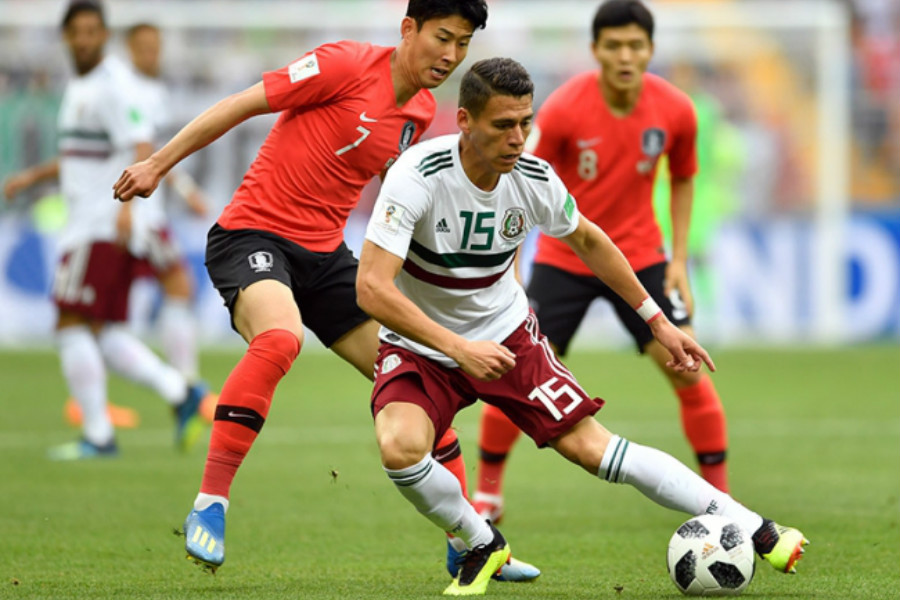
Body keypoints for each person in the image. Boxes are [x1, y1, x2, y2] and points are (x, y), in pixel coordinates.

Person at [112, 0, 536, 581]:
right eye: (443, 37)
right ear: (408, 28)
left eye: (462, 43)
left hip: (327, 257)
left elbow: (399, 196)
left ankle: (469, 543)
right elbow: (242, 103)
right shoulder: (344, 64)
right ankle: (210, 503)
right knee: (280, 338)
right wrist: (157, 164)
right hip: (252, 235)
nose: (451, 55)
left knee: (419, 385)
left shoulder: (419, 111)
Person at [356, 56, 807, 597]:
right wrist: (457, 347)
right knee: (400, 447)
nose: (518, 138)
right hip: (423, 344)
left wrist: (658, 322)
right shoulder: (417, 176)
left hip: (507, 336)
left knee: (593, 449)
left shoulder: (533, 178)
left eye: (525, 122)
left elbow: (590, 240)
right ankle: (481, 541)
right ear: (465, 121)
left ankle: (757, 527)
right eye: (503, 125)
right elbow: (372, 288)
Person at [471, 0, 731, 526]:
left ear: (651, 50)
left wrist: (678, 260)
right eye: (613, 46)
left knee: (688, 372)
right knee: (516, 374)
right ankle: (487, 495)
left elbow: (684, 176)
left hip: (641, 259)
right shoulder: (565, 108)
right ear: (595, 50)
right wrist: (513, 268)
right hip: (565, 259)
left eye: (635, 45)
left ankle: (723, 503)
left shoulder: (676, 110)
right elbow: (521, 182)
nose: (625, 56)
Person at [1, 0, 207, 460]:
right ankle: (181, 392)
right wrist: (32, 177)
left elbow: (140, 146)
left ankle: (98, 435)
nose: (85, 39)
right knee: (103, 330)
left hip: (99, 225)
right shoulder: (83, 87)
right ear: (65, 37)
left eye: (93, 31)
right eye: (77, 31)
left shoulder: (112, 87)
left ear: (104, 36)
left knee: (70, 323)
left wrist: (127, 209)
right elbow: (81, 156)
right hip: (89, 222)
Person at [63, 21, 217, 429]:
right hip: (136, 215)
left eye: (156, 46)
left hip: (136, 212)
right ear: (129, 49)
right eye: (144, 47)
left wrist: (185, 190)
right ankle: (186, 387)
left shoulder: (152, 91)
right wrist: (130, 206)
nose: (152, 54)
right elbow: (141, 152)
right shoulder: (124, 89)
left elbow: (158, 153)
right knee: (172, 288)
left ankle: (105, 400)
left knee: (109, 315)